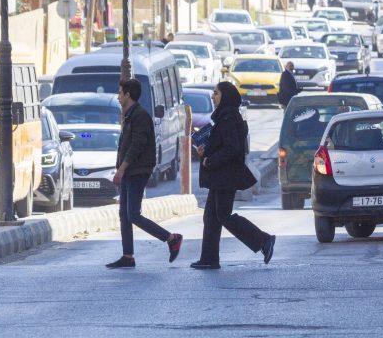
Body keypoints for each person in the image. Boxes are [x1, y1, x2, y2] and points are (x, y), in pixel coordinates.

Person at [191, 81, 276, 269]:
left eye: (216, 93)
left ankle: (263, 240)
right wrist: (205, 150)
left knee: (223, 216)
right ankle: (209, 259)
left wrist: (210, 160)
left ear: (226, 96)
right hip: (220, 176)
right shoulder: (224, 117)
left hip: (225, 176)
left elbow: (232, 148)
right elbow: (222, 145)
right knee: (211, 218)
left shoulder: (228, 118)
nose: (213, 97)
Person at [106, 79, 183, 269]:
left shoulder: (140, 116)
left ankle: (171, 238)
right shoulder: (130, 114)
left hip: (137, 171)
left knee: (133, 214)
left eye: (120, 92)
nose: (117, 96)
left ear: (128, 95)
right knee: (124, 215)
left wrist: (121, 169)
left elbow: (136, 146)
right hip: (129, 171)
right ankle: (128, 255)